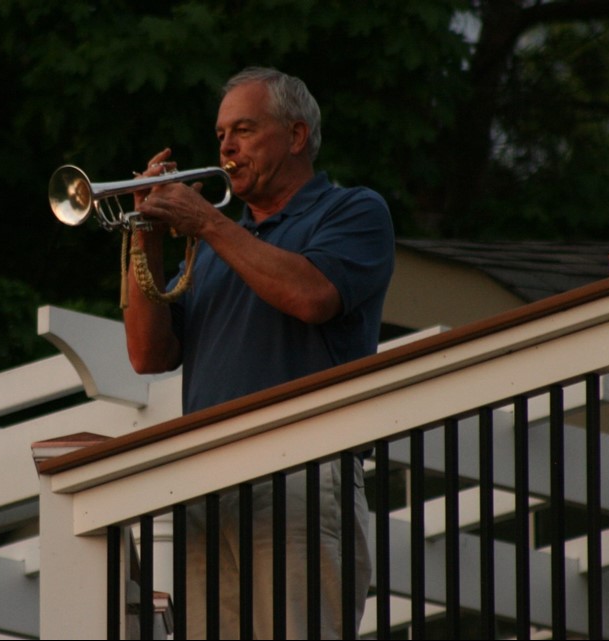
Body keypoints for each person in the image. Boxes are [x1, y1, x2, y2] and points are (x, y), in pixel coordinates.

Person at [123, 67, 395, 639]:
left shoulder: (352, 211)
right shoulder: (217, 247)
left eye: (244, 130)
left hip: (302, 471)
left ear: (296, 136)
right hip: (208, 487)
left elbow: (311, 296)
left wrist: (206, 222)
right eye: (222, 133)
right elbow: (147, 353)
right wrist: (142, 235)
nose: (226, 145)